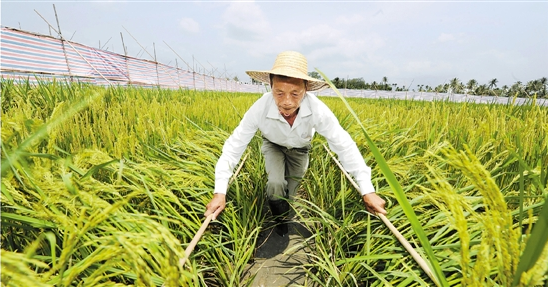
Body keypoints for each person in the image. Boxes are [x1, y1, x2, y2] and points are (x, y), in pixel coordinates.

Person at [204, 51, 386, 236]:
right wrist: (220, 192)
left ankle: (285, 214)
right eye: (279, 93)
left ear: (306, 88)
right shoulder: (260, 108)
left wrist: (367, 189)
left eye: (295, 93)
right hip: (273, 145)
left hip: (300, 149)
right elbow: (234, 146)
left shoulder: (317, 109)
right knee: (275, 184)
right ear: (270, 86)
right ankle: (279, 222)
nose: (287, 102)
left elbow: (343, 144)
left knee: (290, 193)